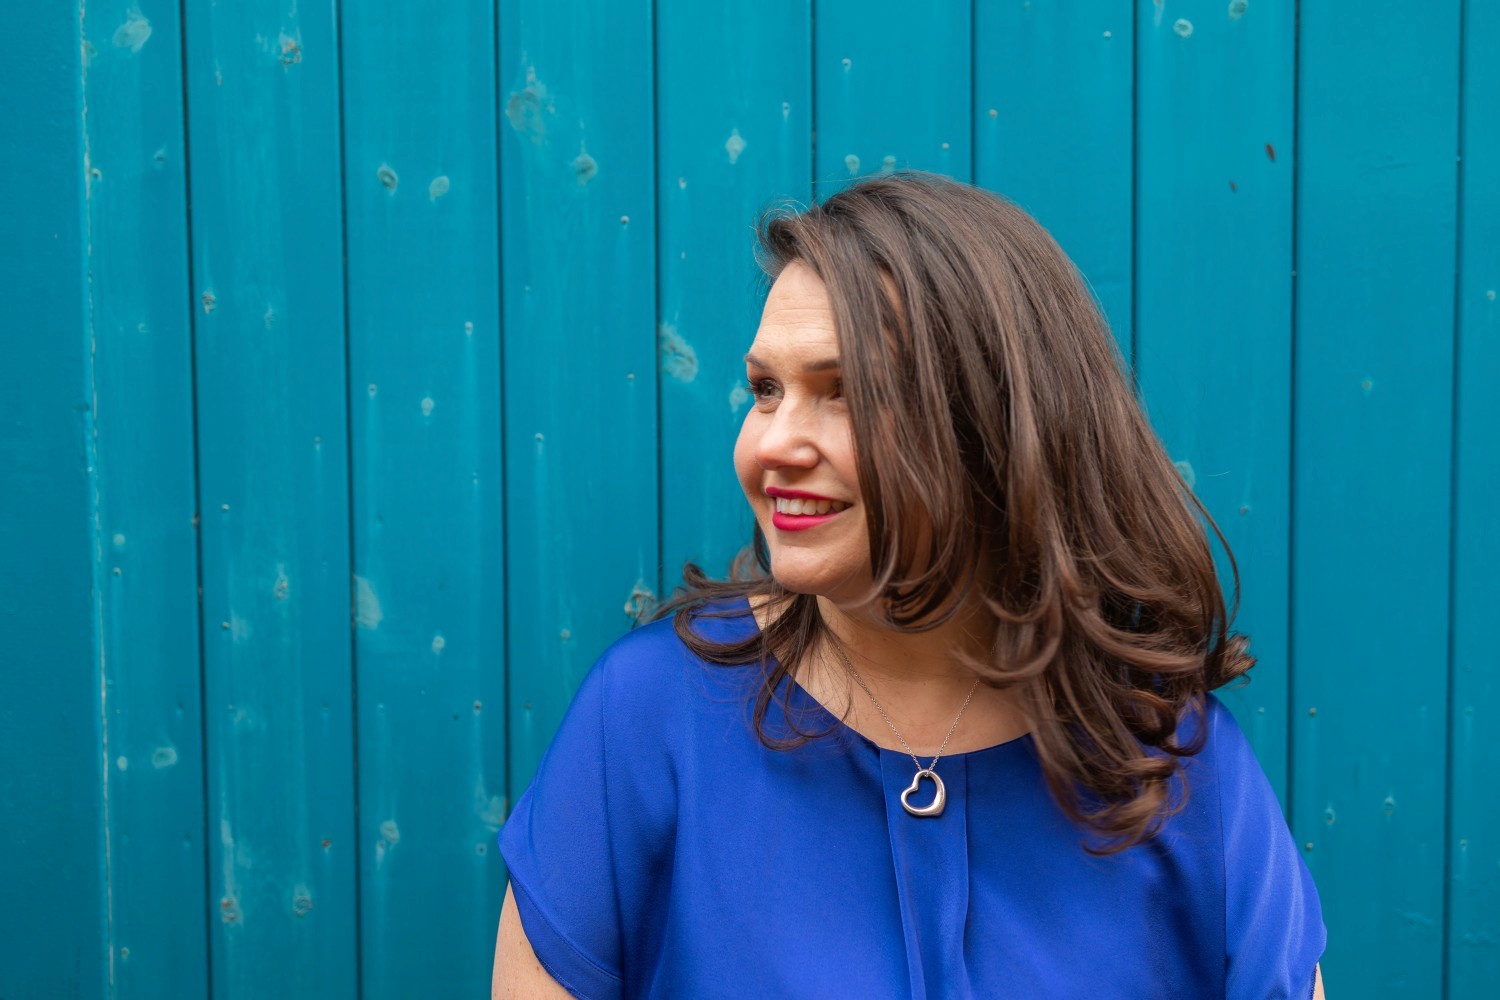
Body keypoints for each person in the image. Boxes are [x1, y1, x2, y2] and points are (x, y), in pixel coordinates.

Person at [492, 172, 1326, 999]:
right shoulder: (650, 718)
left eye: (847, 392)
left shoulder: (1174, 765)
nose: (772, 444)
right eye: (766, 390)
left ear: (998, 424)